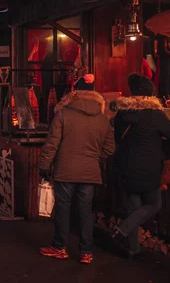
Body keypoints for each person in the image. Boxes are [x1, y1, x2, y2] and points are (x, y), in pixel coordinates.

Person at [38, 74, 115, 265]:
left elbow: (51, 145)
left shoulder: (63, 115)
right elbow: (109, 148)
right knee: (85, 210)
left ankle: (59, 247)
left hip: (65, 170)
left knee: (63, 208)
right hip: (90, 171)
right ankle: (86, 252)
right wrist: (94, 157)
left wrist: (44, 165)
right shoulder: (103, 119)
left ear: (74, 92)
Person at [112, 74, 170, 258]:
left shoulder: (122, 113)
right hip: (149, 168)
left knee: (133, 207)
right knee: (154, 204)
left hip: (126, 167)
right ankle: (124, 228)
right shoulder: (155, 115)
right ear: (149, 96)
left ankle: (133, 248)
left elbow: (117, 138)